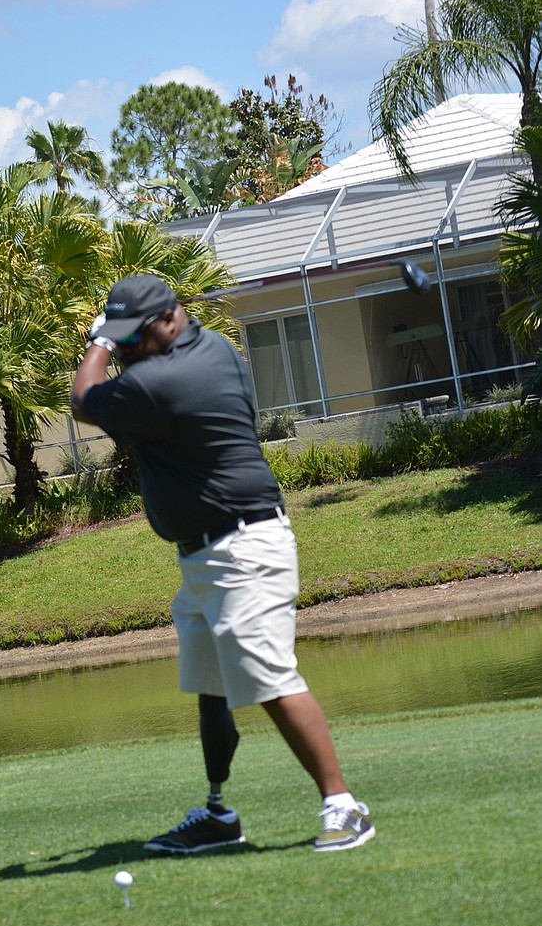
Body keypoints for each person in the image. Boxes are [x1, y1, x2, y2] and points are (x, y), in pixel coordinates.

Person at [70, 273, 375, 855]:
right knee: (210, 681)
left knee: (270, 677)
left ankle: (344, 806)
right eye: (121, 340)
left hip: (242, 551)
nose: (127, 348)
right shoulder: (214, 349)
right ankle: (218, 814)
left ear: (170, 319)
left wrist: (100, 343)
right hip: (212, 554)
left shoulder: (163, 381)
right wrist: (124, 338)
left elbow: (84, 399)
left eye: (133, 338)